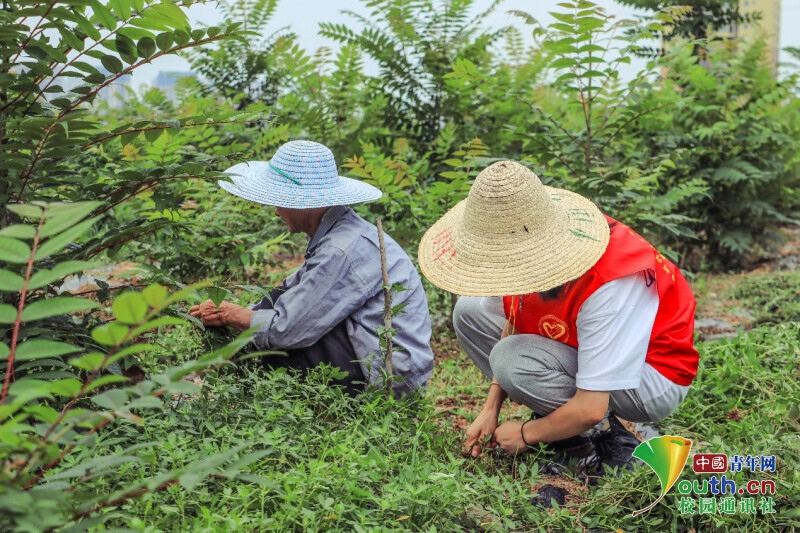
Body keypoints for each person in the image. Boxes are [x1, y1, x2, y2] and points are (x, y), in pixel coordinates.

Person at [417, 160, 699, 473]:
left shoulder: (608, 283)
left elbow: (591, 408)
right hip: (584, 342)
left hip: (651, 377)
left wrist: (526, 435)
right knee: (470, 311)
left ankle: (609, 436)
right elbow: (514, 316)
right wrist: (490, 407)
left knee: (513, 360)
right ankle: (562, 417)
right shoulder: (530, 248)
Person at [190, 140, 434, 396]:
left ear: (303, 203)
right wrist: (237, 316)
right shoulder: (338, 234)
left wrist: (232, 315)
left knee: (282, 342)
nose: (276, 211)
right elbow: (291, 290)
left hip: (387, 380)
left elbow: (287, 329)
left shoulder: (340, 249)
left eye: (280, 201)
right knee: (275, 301)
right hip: (377, 357)